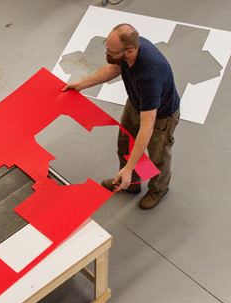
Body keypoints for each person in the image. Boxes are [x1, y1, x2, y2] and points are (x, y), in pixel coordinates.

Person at [62, 23, 180, 209]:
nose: (107, 53)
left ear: (130, 51)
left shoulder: (150, 76)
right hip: (136, 103)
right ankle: (130, 182)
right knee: (125, 145)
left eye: (111, 51)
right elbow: (114, 69)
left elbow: (147, 128)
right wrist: (81, 85)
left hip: (159, 116)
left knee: (157, 157)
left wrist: (130, 166)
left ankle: (158, 189)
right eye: (106, 47)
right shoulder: (130, 52)